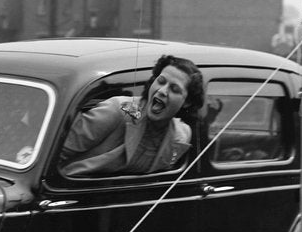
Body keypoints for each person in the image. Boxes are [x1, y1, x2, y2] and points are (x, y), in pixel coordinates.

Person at [61, 54, 204, 176]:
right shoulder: (120, 109)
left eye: (174, 89)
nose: (162, 91)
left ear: (187, 102)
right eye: (161, 81)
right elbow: (59, 153)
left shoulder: (181, 135)